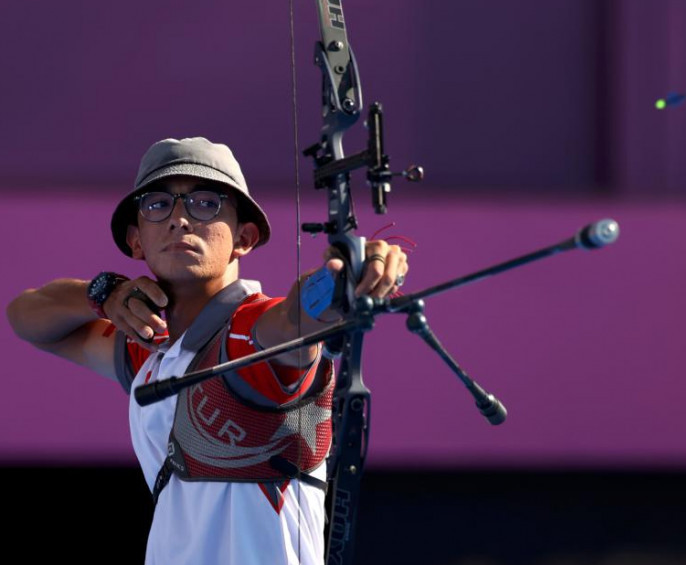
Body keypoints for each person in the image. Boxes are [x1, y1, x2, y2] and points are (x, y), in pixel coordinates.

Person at [6, 137, 408, 565]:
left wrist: (347, 274)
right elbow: (27, 317)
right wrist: (103, 292)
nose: (179, 219)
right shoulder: (147, 346)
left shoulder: (256, 332)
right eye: (158, 205)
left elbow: (300, 315)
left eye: (205, 203)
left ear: (244, 237)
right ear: (136, 241)